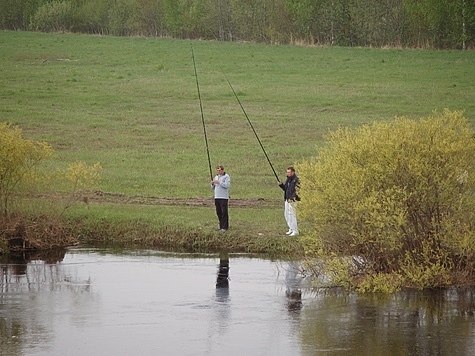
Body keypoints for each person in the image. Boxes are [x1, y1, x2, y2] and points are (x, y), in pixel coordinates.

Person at [278, 166, 300, 236]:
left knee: (292, 215)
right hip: (287, 199)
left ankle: (295, 231)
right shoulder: (288, 180)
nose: (288, 173)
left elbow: (297, 191)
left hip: (293, 200)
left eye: (289, 172)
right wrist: (281, 185)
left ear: (293, 172)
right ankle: (291, 228)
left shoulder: (296, 180)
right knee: (287, 214)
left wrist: (292, 198)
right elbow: (286, 189)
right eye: (287, 172)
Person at [211, 164, 230, 231]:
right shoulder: (216, 177)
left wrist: (219, 182)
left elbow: (226, 185)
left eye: (220, 170)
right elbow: (213, 187)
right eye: (218, 170)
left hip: (223, 197)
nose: (219, 172)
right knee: (218, 212)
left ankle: (225, 227)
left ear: (222, 170)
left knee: (224, 212)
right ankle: (221, 225)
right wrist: (212, 184)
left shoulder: (226, 177)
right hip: (217, 196)